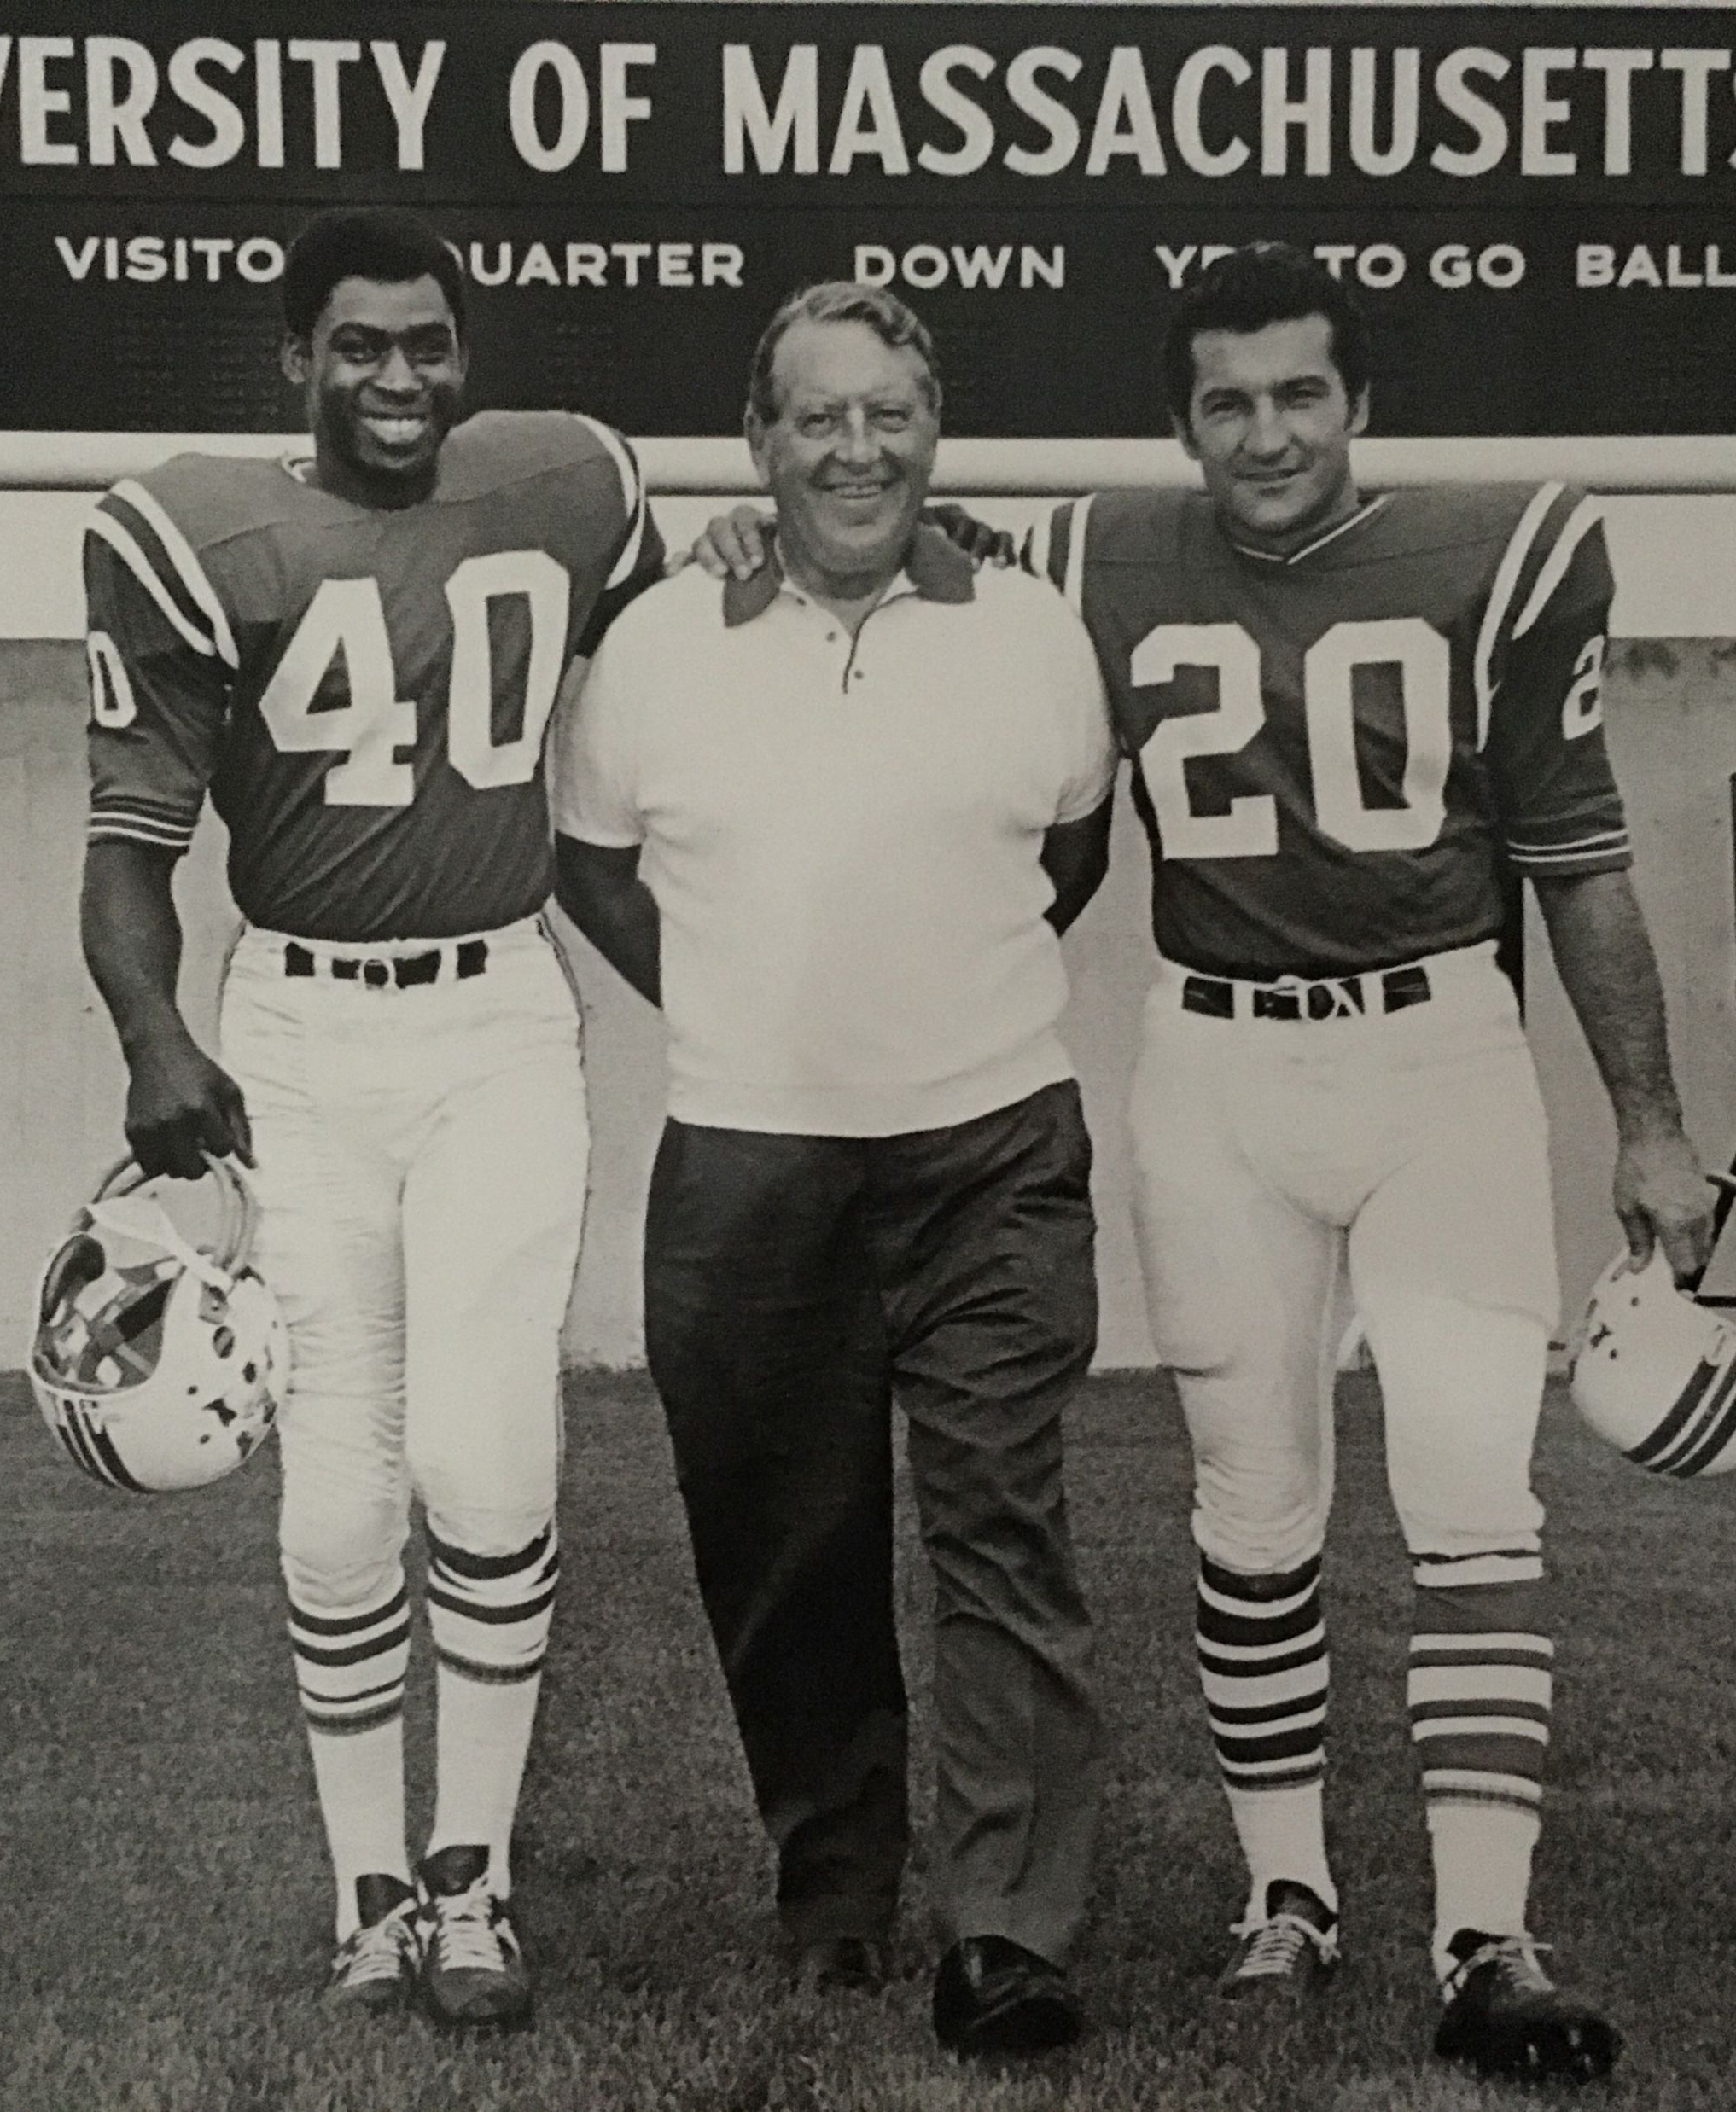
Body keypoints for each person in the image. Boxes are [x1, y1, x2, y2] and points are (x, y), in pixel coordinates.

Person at [698, 242, 1716, 2084]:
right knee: (1251, 1508)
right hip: (1216, 1061)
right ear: (1181, 423)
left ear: (1363, 403)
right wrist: (740, 555)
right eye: (1229, 401)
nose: (1268, 431)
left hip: (1446, 1060)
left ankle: (1487, 1930)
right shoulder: (1097, 556)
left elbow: (1580, 855)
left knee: (1479, 1490)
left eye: (1301, 392)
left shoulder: (1505, 552)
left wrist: (1648, 1118)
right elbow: (899, 555)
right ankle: (1288, 1893)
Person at [75, 206, 662, 2032]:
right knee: (337, 1500)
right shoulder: (199, 530)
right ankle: (369, 1891)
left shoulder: (568, 485)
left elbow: (699, 644)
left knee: (485, 1460)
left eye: (424, 344)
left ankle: (474, 1881)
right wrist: (151, 1029)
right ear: (294, 362)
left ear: (461, 357)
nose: (394, 378)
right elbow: (128, 848)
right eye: (357, 346)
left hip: (497, 1012)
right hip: (301, 1033)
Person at [547, 282, 1119, 2058]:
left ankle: (1009, 1926)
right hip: (747, 1164)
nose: (854, 447)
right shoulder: (657, 640)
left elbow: (1067, 854)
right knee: (787, 1550)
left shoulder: (1034, 629)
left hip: (990, 1153)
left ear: (931, 432)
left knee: (999, 1525)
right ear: (761, 441)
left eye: (887, 412)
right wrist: (750, 1003)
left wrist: (926, 1010)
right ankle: (835, 1890)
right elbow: (593, 868)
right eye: (817, 415)